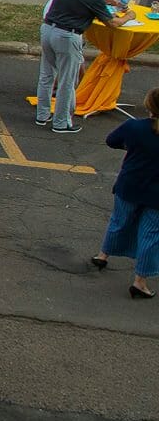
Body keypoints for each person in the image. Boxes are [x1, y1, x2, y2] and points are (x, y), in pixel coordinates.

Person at [37, 0, 123, 134]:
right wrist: (129, 16)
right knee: (67, 81)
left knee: (46, 75)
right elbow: (112, 23)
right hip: (68, 36)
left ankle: (42, 115)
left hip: (48, 30)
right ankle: (61, 122)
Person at [94, 87, 159, 299]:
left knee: (119, 220)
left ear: (149, 105)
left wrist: (132, 149)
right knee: (151, 234)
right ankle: (140, 282)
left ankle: (103, 255)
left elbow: (111, 141)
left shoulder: (134, 127)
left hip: (129, 184)